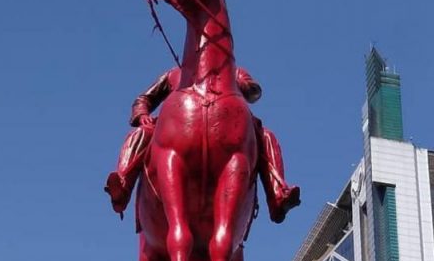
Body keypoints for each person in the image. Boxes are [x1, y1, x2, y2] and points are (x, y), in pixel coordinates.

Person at [105, 66, 300, 223]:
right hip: (178, 128)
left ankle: (276, 195)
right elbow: (144, 99)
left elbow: (254, 93)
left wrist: (237, 82)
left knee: (265, 136)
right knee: (141, 134)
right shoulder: (174, 74)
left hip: (229, 127)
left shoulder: (234, 71)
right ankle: (122, 186)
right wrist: (142, 115)